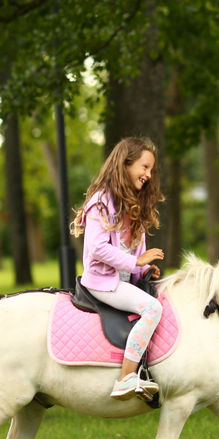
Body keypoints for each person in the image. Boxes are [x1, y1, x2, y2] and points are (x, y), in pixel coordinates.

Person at [70, 137, 166, 400]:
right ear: (125, 164)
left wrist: (143, 271)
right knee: (152, 308)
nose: (148, 175)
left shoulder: (135, 207)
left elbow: (133, 256)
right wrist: (136, 262)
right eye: (144, 167)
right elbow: (97, 248)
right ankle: (125, 378)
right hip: (102, 283)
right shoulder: (101, 202)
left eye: (151, 170)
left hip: (122, 281)